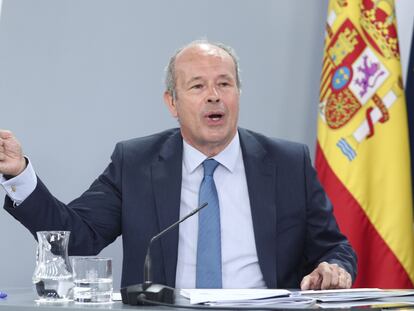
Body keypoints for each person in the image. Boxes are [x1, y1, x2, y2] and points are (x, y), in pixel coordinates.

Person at [0, 40, 356, 290]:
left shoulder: (287, 163)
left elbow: (333, 248)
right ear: (172, 102)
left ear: (237, 94)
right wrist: (19, 175)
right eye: (198, 86)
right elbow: (77, 239)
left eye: (224, 84)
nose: (214, 95)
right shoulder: (136, 163)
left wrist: (335, 268)